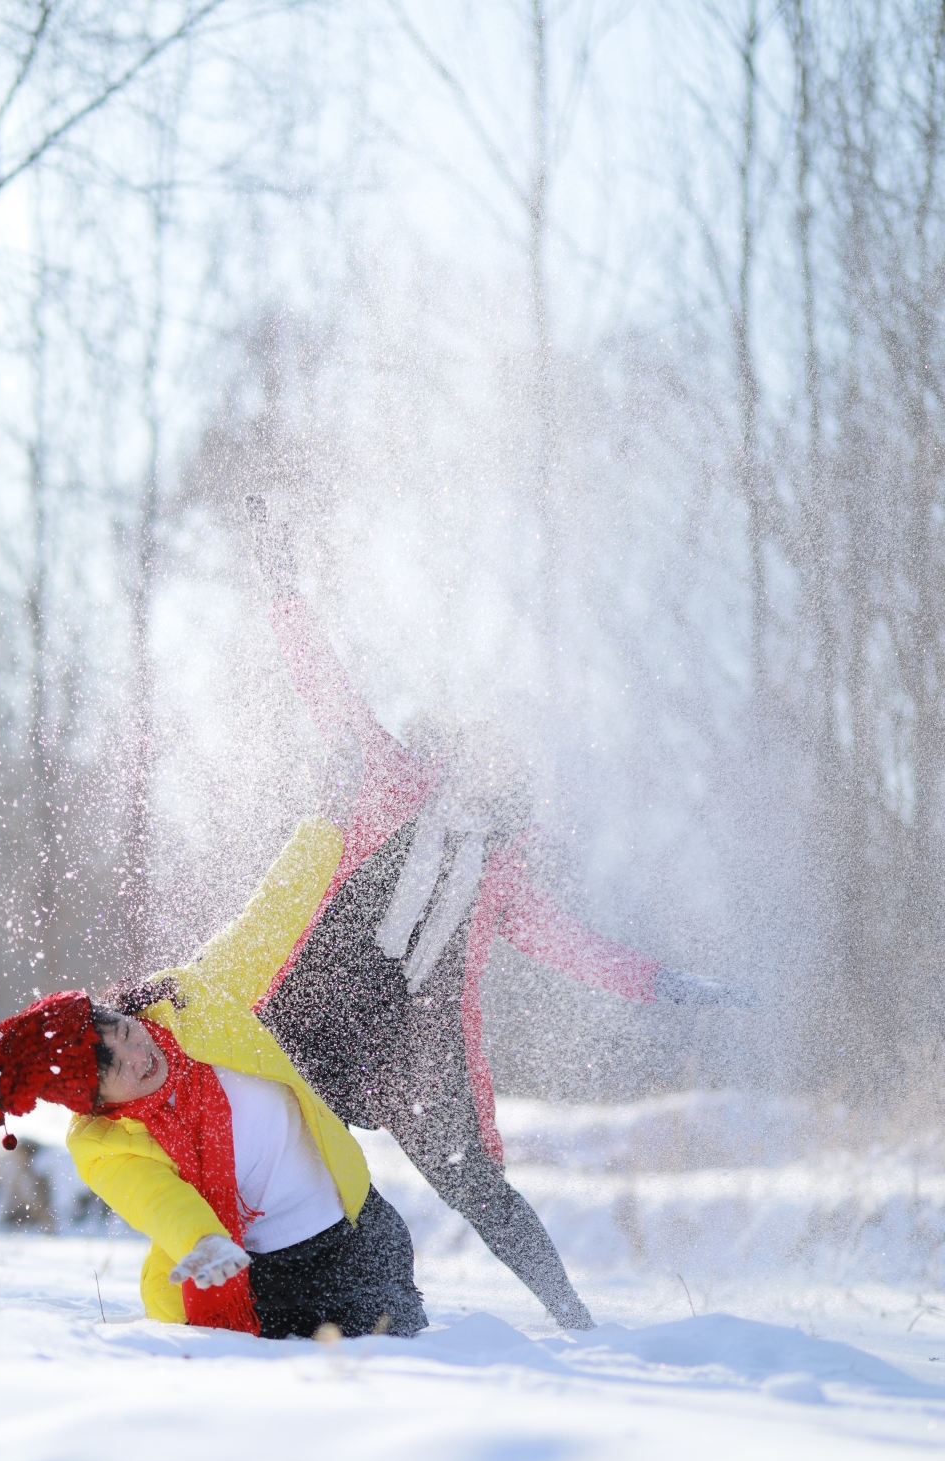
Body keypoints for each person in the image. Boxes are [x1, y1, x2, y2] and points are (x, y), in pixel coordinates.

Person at [243, 497, 757, 1332]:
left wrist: (666, 982)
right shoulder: (395, 777)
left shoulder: (504, 872)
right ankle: (256, 1291)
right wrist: (283, 591)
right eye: (482, 743)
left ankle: (572, 1316)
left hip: (418, 1031)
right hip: (329, 994)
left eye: (507, 753)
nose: (493, 758)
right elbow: (328, 692)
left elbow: (579, 949)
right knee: (271, 1133)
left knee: (475, 1183)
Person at [0, 812, 428, 1341]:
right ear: (96, 1103)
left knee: (406, 1359)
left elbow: (266, 924)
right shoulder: (103, 1147)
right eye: (115, 1067)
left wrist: (325, 830)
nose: (137, 1050)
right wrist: (203, 1242)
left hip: (356, 1232)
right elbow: (160, 1201)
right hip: (263, 1279)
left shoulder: (187, 1004)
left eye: (121, 1028)